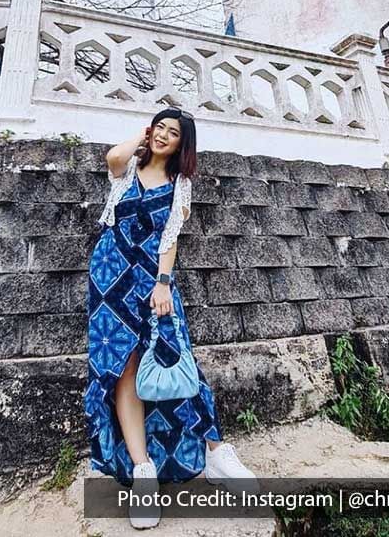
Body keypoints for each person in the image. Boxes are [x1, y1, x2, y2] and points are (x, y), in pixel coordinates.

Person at [84, 107, 257, 529]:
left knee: (176, 357)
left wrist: (163, 283)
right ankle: (143, 472)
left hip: (152, 279)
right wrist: (143, 140)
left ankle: (215, 452)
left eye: (172, 132)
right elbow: (111, 157)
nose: (163, 135)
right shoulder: (128, 169)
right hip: (110, 274)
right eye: (159, 128)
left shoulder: (181, 185)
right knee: (124, 370)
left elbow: (170, 240)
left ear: (184, 143)